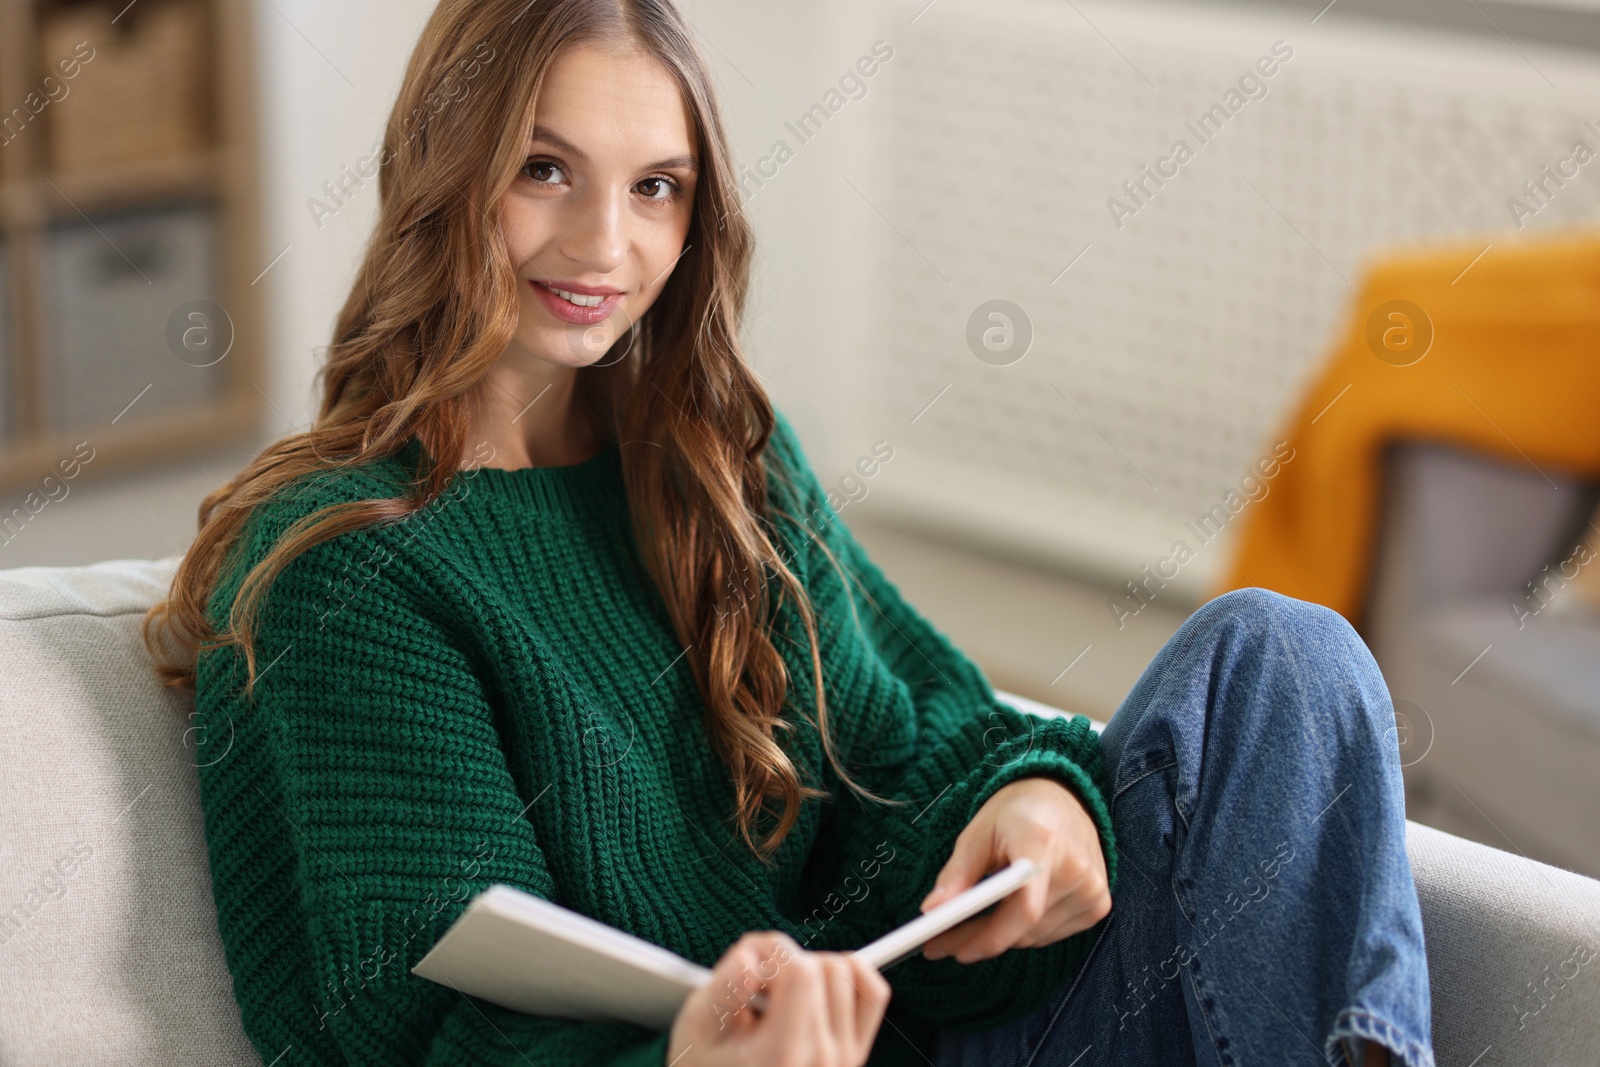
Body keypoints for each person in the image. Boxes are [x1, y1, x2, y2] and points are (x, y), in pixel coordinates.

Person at [143, 1, 1432, 1064]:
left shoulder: (721, 464)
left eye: (658, 188)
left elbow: (926, 726)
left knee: (1279, 652)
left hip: (946, 1034)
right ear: (443, 171)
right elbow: (422, 1032)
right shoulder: (353, 568)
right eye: (545, 169)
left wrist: (1028, 793)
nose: (606, 242)